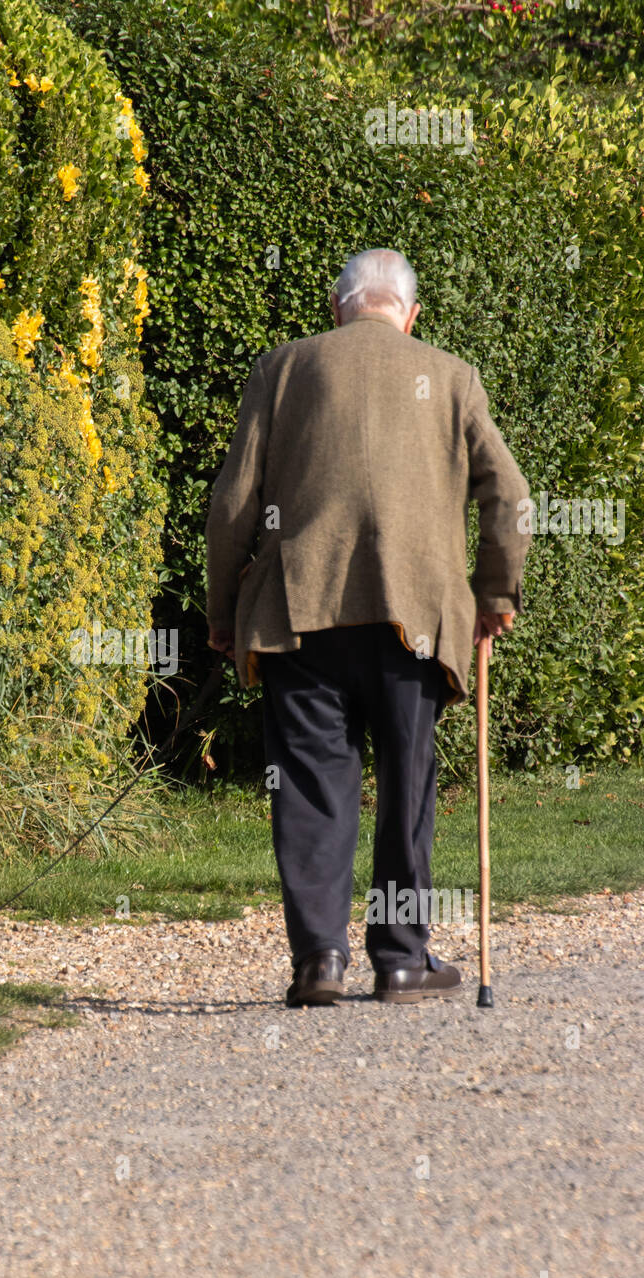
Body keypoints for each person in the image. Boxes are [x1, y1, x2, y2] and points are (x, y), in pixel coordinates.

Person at [205, 248, 530, 1005]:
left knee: (313, 789)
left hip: (300, 614)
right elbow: (509, 495)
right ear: (410, 314)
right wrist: (496, 596)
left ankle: (319, 960)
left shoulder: (281, 369)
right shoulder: (451, 376)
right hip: (414, 619)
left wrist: (223, 614)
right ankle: (402, 960)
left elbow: (231, 506)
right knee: (407, 788)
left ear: (336, 304)